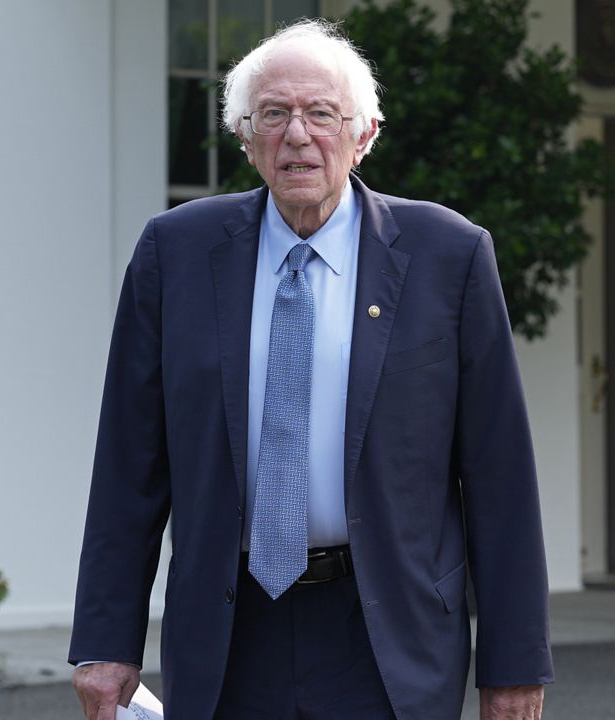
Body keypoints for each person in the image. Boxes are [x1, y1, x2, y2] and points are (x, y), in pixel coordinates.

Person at [68, 19, 552, 720]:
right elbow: (129, 465)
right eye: (273, 114)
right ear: (244, 135)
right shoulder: (174, 253)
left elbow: (498, 475)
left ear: (365, 134)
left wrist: (514, 666)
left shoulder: (450, 256)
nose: (297, 135)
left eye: (321, 114)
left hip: (387, 632)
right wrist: (107, 642)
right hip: (231, 632)